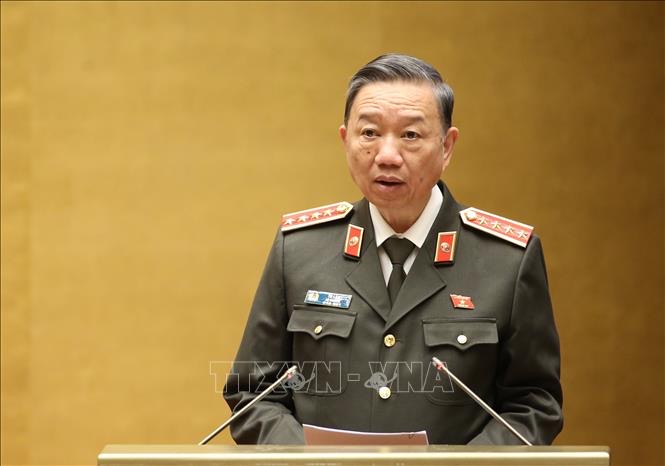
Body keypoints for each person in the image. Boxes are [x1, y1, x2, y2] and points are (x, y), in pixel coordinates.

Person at [224, 54, 563, 445]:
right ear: (345, 140)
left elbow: (533, 405)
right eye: (369, 133)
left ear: (447, 146)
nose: (387, 155)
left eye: (410, 135)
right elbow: (253, 394)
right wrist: (310, 460)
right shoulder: (299, 249)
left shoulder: (507, 260)